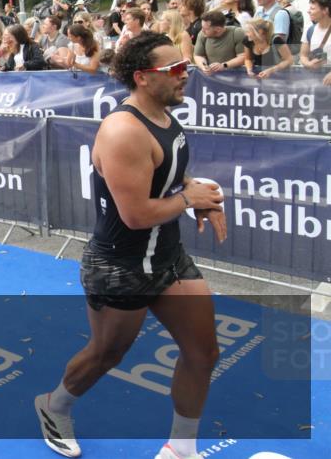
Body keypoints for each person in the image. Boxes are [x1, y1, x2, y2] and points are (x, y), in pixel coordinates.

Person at [36, 31, 226, 459]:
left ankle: (180, 450)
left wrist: (198, 196)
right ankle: (54, 406)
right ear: (142, 77)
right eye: (174, 69)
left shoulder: (163, 114)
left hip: (168, 258)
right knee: (107, 353)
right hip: (119, 266)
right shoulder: (123, 131)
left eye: (185, 66)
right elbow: (135, 215)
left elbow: (168, 179)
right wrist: (186, 199)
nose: (185, 75)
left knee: (203, 352)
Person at [300, 0, 331, 79]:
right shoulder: (309, 30)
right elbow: (303, 55)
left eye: (312, 8)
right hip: (316, 79)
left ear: (325, 10)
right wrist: (309, 64)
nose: (308, 11)